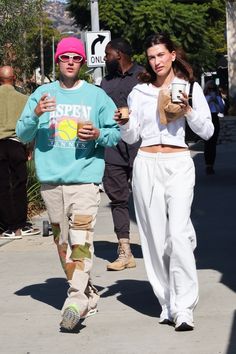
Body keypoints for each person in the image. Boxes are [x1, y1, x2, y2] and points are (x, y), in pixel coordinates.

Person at [16, 37, 120, 331]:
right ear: (58, 62)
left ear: (83, 62)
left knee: (81, 241)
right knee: (63, 244)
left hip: (85, 180)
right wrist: (36, 115)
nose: (71, 61)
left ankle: (74, 300)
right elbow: (23, 134)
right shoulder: (42, 93)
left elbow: (114, 135)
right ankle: (88, 294)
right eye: (65, 57)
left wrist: (98, 133)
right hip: (52, 182)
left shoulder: (96, 97)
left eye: (76, 57)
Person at [115, 32, 214, 331]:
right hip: (146, 163)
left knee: (179, 235)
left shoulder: (189, 88)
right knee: (154, 237)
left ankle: (185, 307)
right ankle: (167, 303)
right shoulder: (139, 91)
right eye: (151, 56)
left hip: (179, 163)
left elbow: (207, 131)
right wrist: (125, 122)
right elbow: (132, 137)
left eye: (161, 54)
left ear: (172, 55)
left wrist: (189, 110)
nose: (156, 61)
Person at [101, 38, 144, 271]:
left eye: (108, 55)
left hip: (141, 146)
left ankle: (156, 246)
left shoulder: (144, 76)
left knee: (147, 197)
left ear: (119, 54)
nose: (105, 59)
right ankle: (125, 250)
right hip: (113, 148)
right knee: (117, 198)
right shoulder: (105, 81)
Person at [0, 66, 40, 240]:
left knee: (2, 186)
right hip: (17, 144)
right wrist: (30, 146)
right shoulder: (24, 99)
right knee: (19, 185)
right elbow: (30, 124)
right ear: (14, 78)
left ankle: (6, 227)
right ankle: (20, 225)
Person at [203, 80, 225, 175]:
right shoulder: (204, 98)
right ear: (207, 89)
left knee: (213, 143)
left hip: (215, 118)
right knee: (207, 143)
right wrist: (208, 101)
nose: (211, 90)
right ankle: (207, 165)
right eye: (209, 88)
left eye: (213, 89)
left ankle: (211, 165)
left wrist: (216, 101)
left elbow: (222, 110)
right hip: (207, 118)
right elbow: (201, 109)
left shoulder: (218, 98)